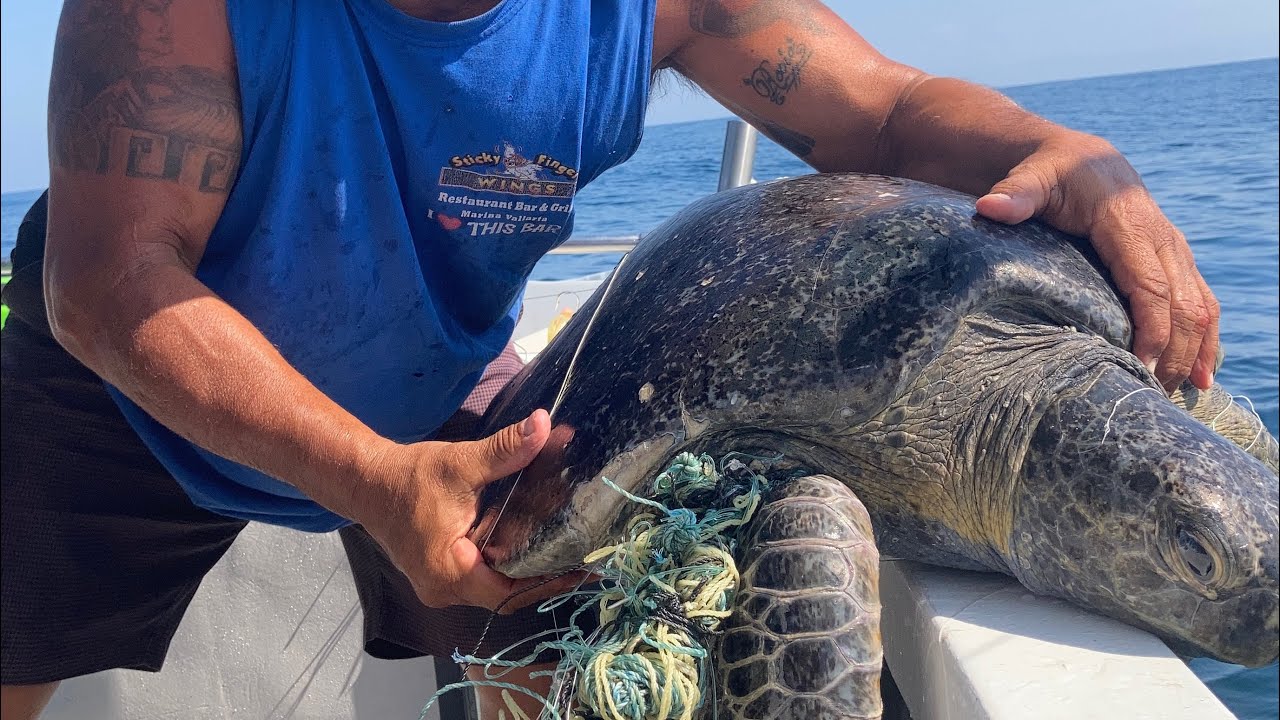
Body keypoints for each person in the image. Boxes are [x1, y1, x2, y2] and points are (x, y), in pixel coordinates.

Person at [0, 0, 1221, 718]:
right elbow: (111, 281)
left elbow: (889, 111)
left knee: (565, 655)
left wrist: (1057, 149)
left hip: (436, 391)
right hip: (133, 391)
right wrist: (367, 480)